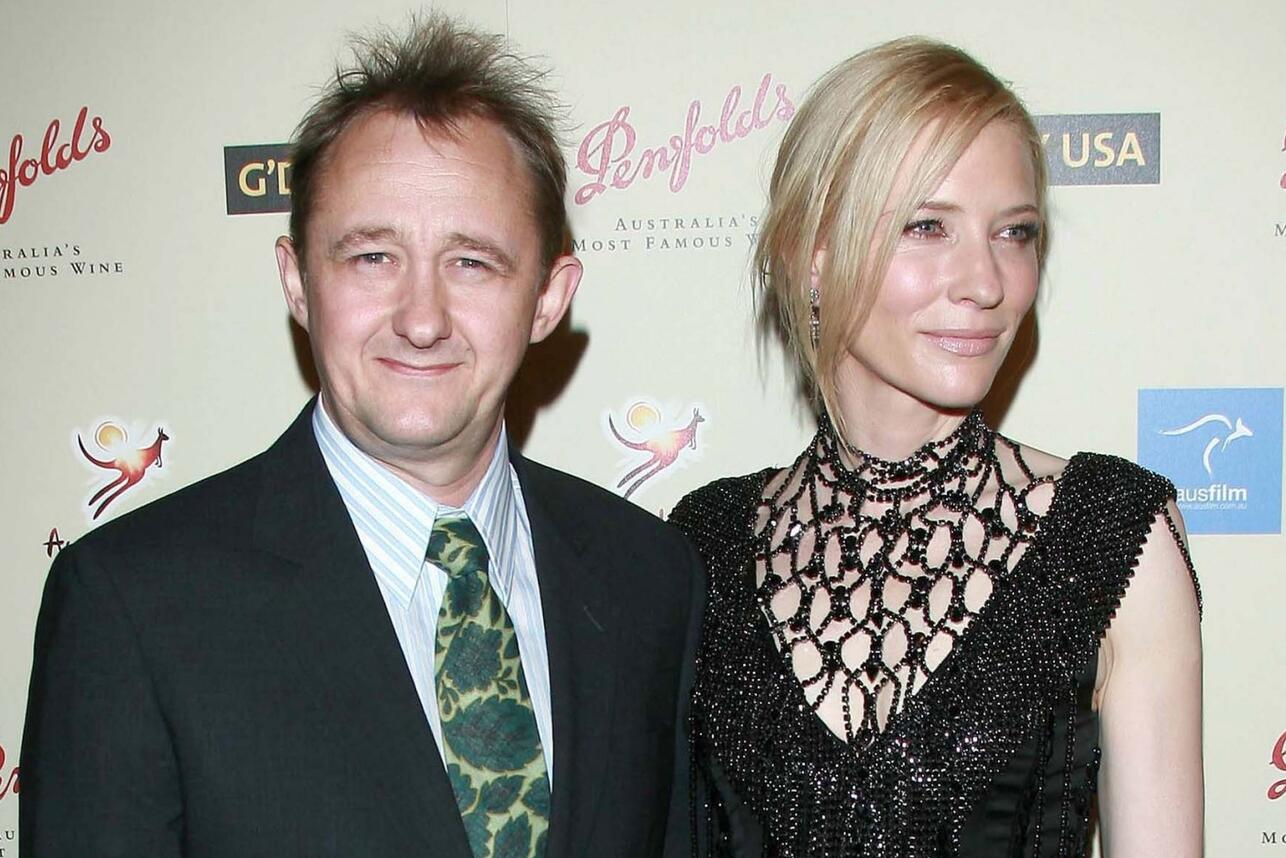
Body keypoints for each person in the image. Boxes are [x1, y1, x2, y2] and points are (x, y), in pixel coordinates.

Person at [21, 15, 701, 858]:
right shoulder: (133, 605)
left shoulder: (649, 580)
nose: (422, 319)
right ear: (297, 281)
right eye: (372, 257)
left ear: (549, 297)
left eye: (472, 262)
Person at [668, 38, 1202, 857]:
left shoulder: (1112, 536)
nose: (986, 283)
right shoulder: (704, 542)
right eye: (928, 227)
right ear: (813, 256)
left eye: (1014, 233)